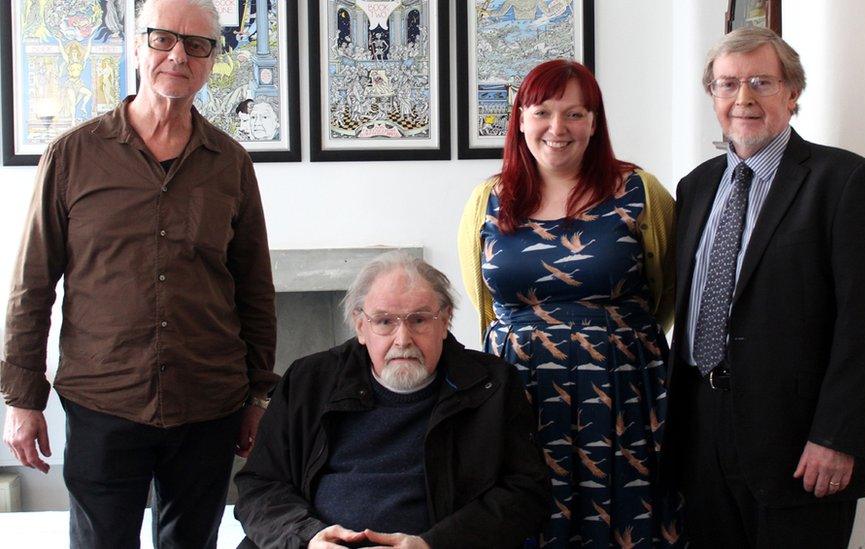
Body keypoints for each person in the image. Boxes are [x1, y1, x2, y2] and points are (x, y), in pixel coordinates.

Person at [0, 1, 277, 547]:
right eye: (163, 39)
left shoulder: (231, 163)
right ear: (135, 46)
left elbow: (255, 290)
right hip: (105, 400)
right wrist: (21, 398)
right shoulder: (72, 156)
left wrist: (259, 396)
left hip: (209, 401)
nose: (178, 54)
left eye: (196, 44)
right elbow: (31, 286)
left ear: (212, 60)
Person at [665, 26, 865, 548]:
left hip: (801, 443)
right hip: (701, 434)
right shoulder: (695, 187)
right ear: (713, 96)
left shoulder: (844, 181)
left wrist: (838, 436)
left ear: (792, 94)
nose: (742, 98)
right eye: (727, 85)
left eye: (760, 83)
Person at [458, 60, 681, 547]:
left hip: (623, 391)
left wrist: (610, 340)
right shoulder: (487, 200)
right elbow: (485, 306)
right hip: (521, 392)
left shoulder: (641, 192)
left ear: (595, 122)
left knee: (627, 522)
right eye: (542, 112)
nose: (557, 128)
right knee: (527, 516)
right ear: (519, 119)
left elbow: (667, 293)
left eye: (575, 113)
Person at [234, 252, 550, 549]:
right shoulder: (309, 380)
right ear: (360, 326)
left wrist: (434, 544)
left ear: (445, 321)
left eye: (419, 320)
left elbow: (526, 495)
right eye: (385, 322)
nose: (403, 339)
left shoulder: (491, 385)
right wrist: (308, 538)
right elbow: (260, 484)